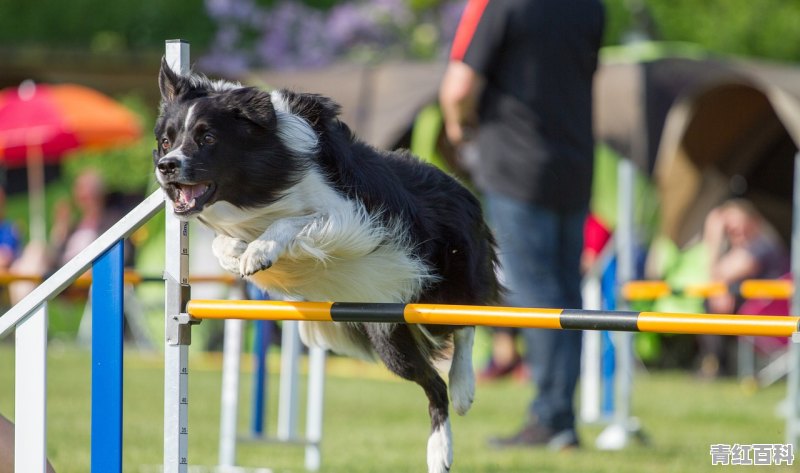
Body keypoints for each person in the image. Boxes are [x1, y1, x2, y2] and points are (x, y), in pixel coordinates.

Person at [439, 0, 605, 449]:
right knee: (568, 295)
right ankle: (561, 418)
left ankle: (551, 419)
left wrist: (460, 131)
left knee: (536, 293)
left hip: (515, 163)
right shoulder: (591, 7)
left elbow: (458, 89)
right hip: (574, 164)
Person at [699, 199, 789, 377]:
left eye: (738, 225)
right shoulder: (748, 246)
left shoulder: (761, 245)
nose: (734, 231)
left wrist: (714, 237)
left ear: (753, 222)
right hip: (758, 306)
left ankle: (715, 365)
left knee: (711, 302)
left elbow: (720, 272)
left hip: (770, 310)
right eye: (728, 228)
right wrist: (722, 290)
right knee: (714, 299)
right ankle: (715, 364)